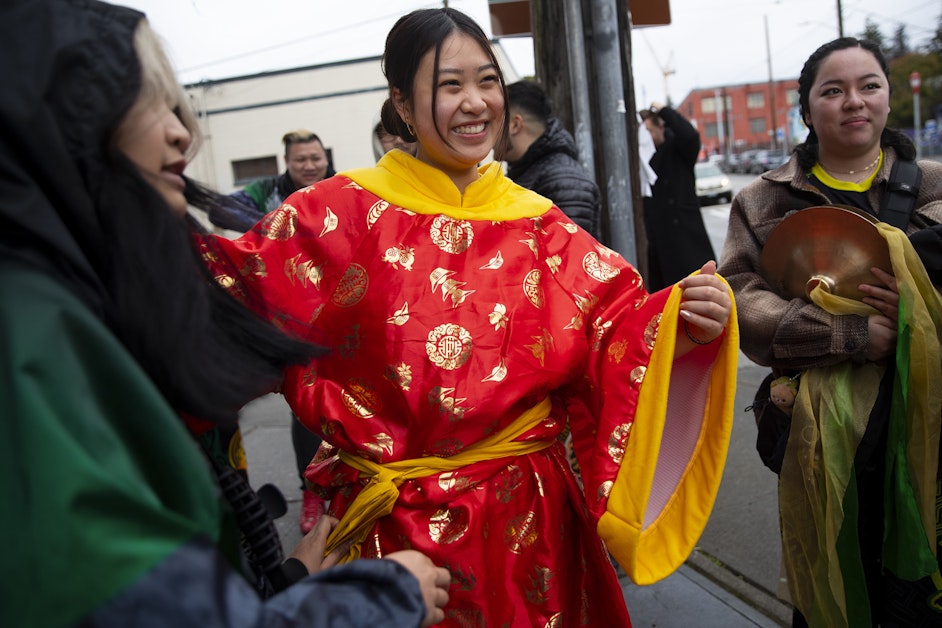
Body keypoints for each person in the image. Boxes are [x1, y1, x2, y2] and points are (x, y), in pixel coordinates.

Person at [200, 7, 738, 625]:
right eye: (449, 85)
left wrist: (683, 320)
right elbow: (224, 299)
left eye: (487, 81)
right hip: (386, 532)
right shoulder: (332, 214)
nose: (476, 102)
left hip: (524, 526)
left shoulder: (541, 225)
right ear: (402, 104)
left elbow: (618, 328)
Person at [0, 1, 452, 625]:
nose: (183, 132)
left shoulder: (85, 295)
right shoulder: (32, 331)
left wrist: (285, 580)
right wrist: (376, 600)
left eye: (485, 81)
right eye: (150, 100)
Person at [718, 37, 942, 627]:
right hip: (818, 433)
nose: (854, 102)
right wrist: (848, 334)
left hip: (923, 423)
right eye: (833, 90)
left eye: (869, 86)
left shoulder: (934, 187)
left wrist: (916, 309)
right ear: (807, 107)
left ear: (889, 98)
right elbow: (742, 301)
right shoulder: (763, 199)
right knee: (832, 570)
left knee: (918, 581)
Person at [495, 80, 603, 240]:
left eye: (492, 122)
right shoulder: (532, 170)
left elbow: (568, 256)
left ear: (514, 125)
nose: (485, 130)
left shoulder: (562, 178)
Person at [640, 105, 716, 291]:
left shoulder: (678, 150)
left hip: (687, 246)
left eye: (649, 131)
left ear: (661, 127)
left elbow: (690, 136)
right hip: (658, 252)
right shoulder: (641, 160)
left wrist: (665, 110)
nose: (647, 138)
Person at [208, 129, 336, 233]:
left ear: (326, 158)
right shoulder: (266, 190)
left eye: (316, 158)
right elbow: (220, 210)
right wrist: (275, 228)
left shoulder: (344, 187)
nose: (309, 166)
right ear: (286, 161)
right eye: (300, 160)